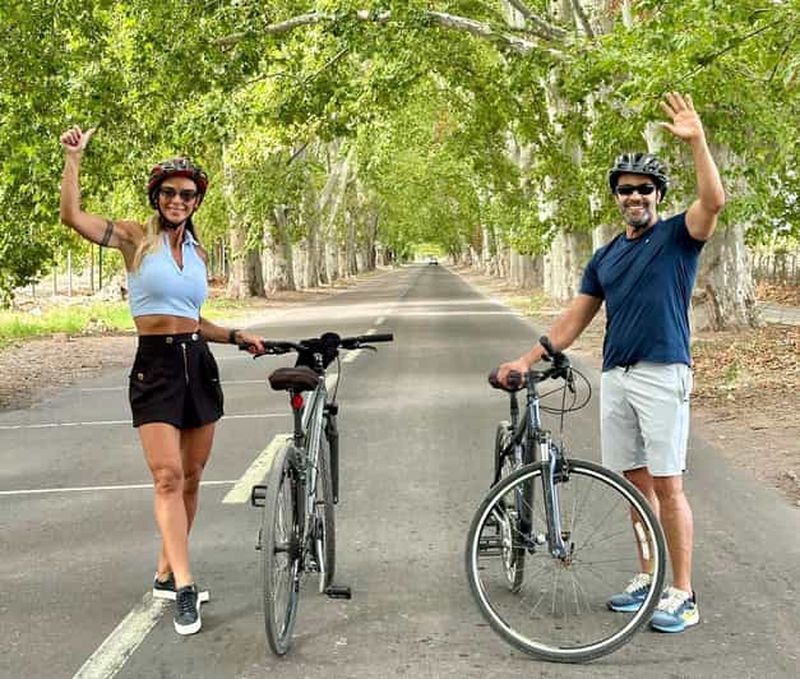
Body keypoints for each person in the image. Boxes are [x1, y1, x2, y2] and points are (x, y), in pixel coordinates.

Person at [496, 92, 725, 633]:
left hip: (663, 372)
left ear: (658, 196)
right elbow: (573, 320)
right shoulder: (604, 256)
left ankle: (682, 593)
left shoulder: (678, 237)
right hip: (617, 377)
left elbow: (713, 201)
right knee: (635, 485)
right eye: (626, 191)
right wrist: (527, 359)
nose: (635, 197)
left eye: (645, 189)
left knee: (669, 486)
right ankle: (648, 577)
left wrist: (698, 142)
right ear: (616, 199)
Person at [59, 126, 264, 636]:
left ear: (197, 201)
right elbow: (73, 218)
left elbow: (195, 320)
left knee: (192, 478)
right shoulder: (136, 237)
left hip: (198, 362)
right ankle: (186, 587)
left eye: (187, 194)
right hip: (156, 366)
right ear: (157, 197)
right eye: (170, 192)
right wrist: (73, 160)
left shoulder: (196, 253)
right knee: (167, 477)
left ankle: (163, 573)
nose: (178, 200)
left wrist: (237, 335)